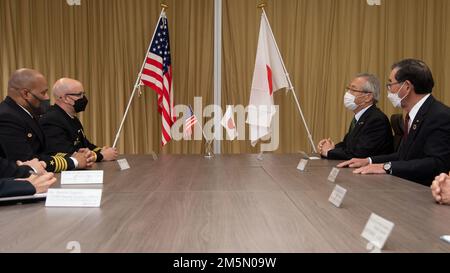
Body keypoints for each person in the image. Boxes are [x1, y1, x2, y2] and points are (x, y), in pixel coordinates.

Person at [338, 59, 450, 186]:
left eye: (390, 84)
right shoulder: (413, 115)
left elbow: (436, 163)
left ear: (407, 87)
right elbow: (402, 156)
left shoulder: (439, 115)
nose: (389, 89)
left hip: (426, 193)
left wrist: (386, 167)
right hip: (406, 187)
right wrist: (368, 161)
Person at [0, 69, 94, 172]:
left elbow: (47, 150)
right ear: (26, 94)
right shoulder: (7, 116)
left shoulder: (28, 113)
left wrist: (74, 155)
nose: (47, 97)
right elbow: (27, 161)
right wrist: (73, 161)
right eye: (43, 93)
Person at [39, 78, 118, 162]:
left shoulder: (71, 117)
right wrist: (101, 156)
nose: (83, 98)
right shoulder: (51, 119)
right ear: (65, 98)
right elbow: (63, 153)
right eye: (79, 94)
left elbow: (84, 144)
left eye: (83, 94)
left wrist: (100, 150)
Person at [318, 73, 393, 160]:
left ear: (368, 97)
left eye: (353, 90)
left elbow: (359, 154)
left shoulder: (376, 120)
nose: (348, 93)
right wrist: (331, 147)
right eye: (348, 89)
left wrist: (328, 152)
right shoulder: (360, 117)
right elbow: (348, 145)